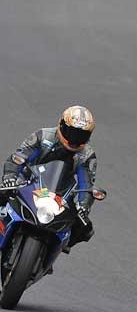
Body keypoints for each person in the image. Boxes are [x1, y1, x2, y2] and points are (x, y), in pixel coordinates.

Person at [1, 106, 98, 250]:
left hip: (59, 193)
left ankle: (54, 248)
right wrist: (10, 176)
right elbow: (18, 158)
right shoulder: (43, 136)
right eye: (71, 132)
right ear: (61, 125)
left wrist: (84, 205)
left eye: (80, 136)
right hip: (28, 182)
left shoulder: (87, 154)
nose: (74, 139)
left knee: (85, 228)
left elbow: (86, 183)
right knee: (3, 192)